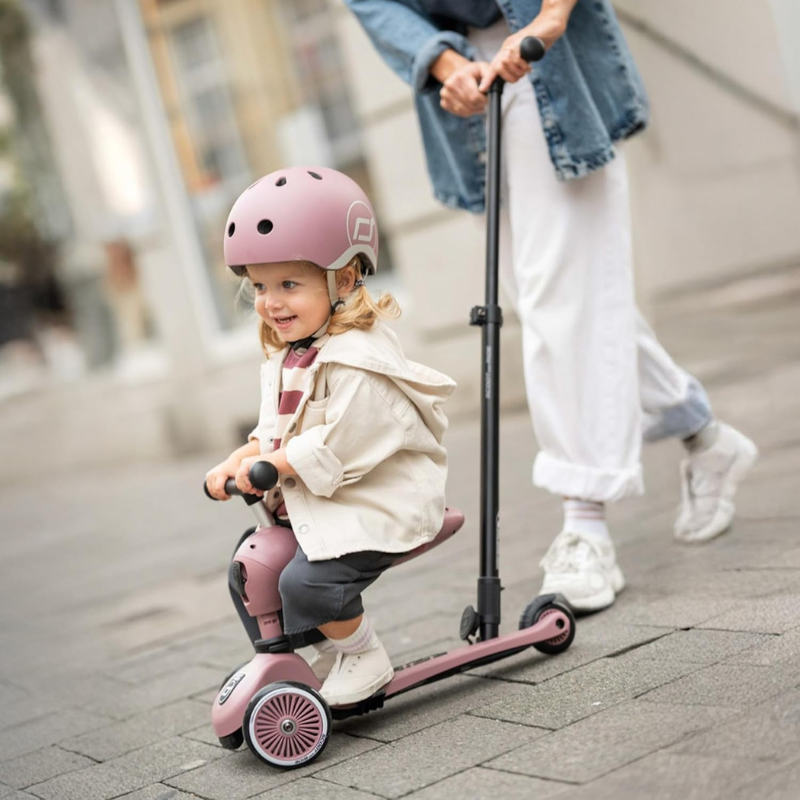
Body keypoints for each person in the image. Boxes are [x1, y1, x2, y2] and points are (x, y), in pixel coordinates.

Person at [345, 0, 758, 612]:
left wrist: (552, 16)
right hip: (467, 87)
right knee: (557, 305)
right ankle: (703, 432)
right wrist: (443, 61)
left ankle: (585, 522)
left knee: (562, 306)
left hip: (545, 59)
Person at [205, 167, 455, 705]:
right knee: (252, 568)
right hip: (325, 497)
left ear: (343, 280)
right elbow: (273, 435)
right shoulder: (290, 356)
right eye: (261, 286)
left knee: (305, 583)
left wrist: (275, 466)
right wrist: (239, 459)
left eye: (289, 284)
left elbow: (336, 447)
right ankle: (324, 652)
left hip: (379, 498)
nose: (271, 302)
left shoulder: (359, 361)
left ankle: (364, 653)